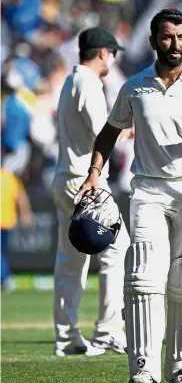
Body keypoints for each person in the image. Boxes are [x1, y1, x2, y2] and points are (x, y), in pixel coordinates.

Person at [75, 8, 182, 383]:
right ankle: (143, 369)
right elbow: (109, 133)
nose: (175, 45)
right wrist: (94, 173)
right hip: (148, 190)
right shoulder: (134, 86)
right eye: (167, 37)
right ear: (153, 41)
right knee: (144, 278)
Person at [52, 27, 130, 357]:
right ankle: (108, 331)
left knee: (71, 261)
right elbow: (104, 134)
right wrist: (134, 128)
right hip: (88, 182)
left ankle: (67, 337)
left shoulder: (71, 81)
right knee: (118, 247)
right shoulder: (89, 83)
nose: (113, 58)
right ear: (102, 53)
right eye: (112, 53)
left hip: (65, 177)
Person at [1, 167, 33, 291]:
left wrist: (26, 214)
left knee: (1, 252)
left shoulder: (8, 176)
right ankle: (4, 278)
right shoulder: (9, 176)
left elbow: (20, 196)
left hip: (5, 221)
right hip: (6, 220)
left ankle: (4, 279)